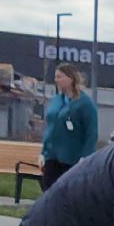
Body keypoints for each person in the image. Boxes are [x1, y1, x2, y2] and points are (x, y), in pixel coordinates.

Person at [38, 62, 98, 190]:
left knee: (67, 192)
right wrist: (43, 152)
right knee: (49, 191)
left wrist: (86, 157)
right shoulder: (56, 100)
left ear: (70, 78)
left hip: (72, 158)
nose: (56, 80)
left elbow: (91, 132)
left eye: (59, 77)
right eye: (55, 77)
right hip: (52, 156)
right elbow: (50, 127)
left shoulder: (84, 103)